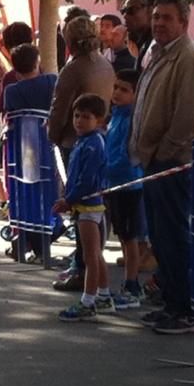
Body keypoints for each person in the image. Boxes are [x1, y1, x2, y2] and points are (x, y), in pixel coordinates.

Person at [129, 0, 194, 335]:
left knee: (175, 237)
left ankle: (185, 308)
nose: (159, 23)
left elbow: (187, 115)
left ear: (183, 23)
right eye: (157, 16)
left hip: (172, 164)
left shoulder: (188, 59)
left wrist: (166, 152)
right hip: (153, 161)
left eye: (167, 18)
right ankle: (172, 302)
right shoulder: (159, 54)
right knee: (162, 238)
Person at [47, 16, 116, 292]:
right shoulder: (104, 64)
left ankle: (83, 265)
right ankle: (88, 262)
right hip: (101, 135)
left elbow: (60, 105)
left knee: (78, 204)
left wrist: (52, 134)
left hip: (74, 139)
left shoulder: (74, 69)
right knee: (96, 206)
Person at [54, 93, 110, 321]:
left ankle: (89, 302)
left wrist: (69, 200)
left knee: (90, 257)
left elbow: (86, 181)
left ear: (99, 120)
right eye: (77, 116)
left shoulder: (93, 144)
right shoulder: (84, 141)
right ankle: (104, 295)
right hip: (84, 204)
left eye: (86, 117)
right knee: (95, 254)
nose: (79, 121)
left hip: (88, 206)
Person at [2, 44, 60, 263]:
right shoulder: (50, 82)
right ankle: (44, 238)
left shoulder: (12, 91)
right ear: (37, 63)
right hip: (44, 149)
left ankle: (23, 240)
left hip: (19, 153)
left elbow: (7, 112)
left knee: (23, 194)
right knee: (44, 193)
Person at [103, 68, 144, 309]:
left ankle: (132, 284)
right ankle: (130, 282)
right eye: (116, 87)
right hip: (114, 185)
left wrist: (106, 169)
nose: (117, 93)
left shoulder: (131, 119)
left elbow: (125, 155)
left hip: (129, 184)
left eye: (124, 90)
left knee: (130, 238)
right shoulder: (115, 115)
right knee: (122, 236)